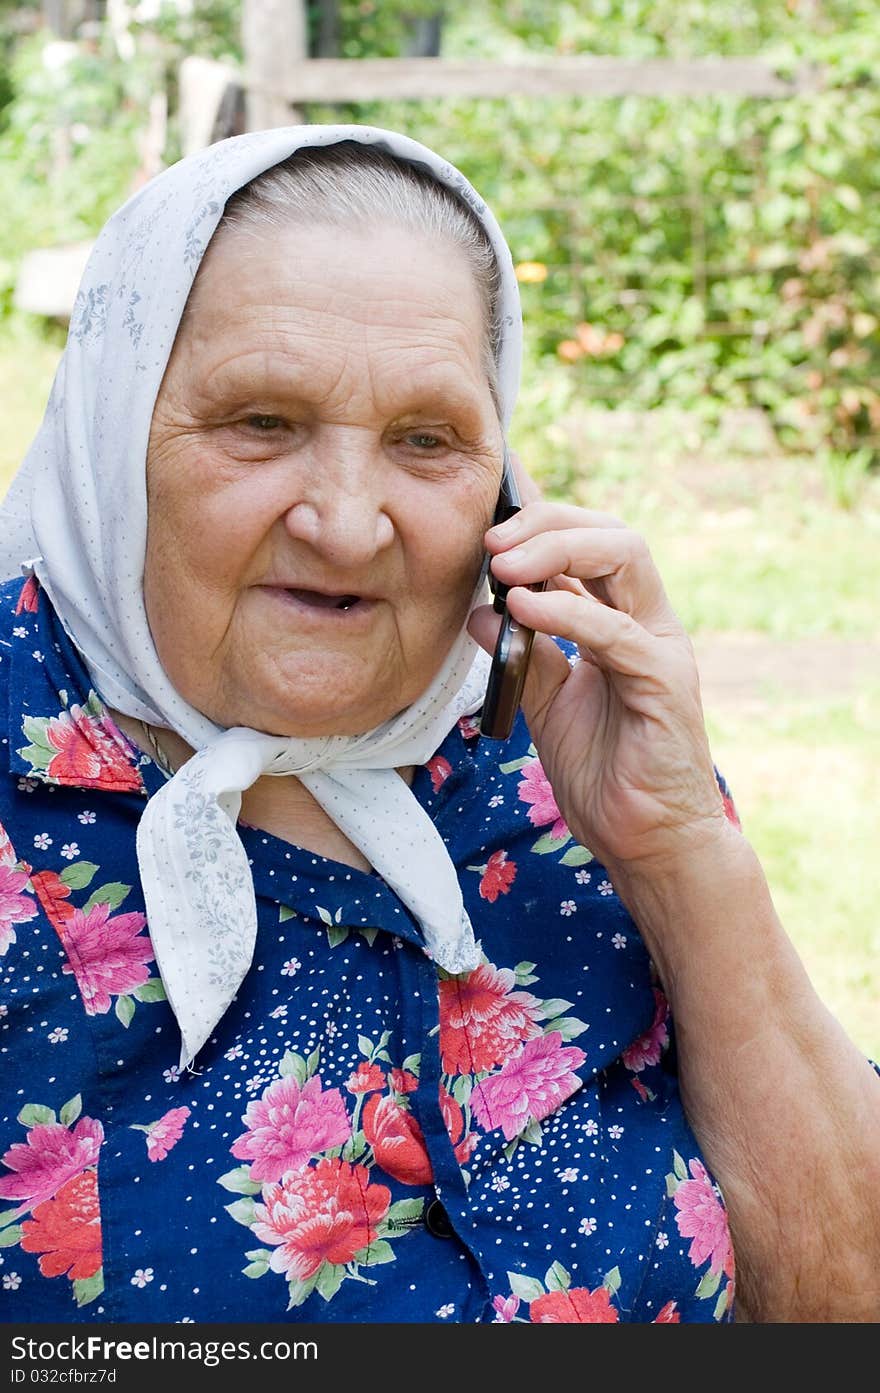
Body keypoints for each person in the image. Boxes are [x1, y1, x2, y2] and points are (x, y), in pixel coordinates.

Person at [0, 125, 876, 1327]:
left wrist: (679, 856)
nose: (350, 524)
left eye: (427, 440)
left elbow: (846, 1305)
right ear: (110, 437)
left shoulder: (561, 746)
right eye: (261, 420)